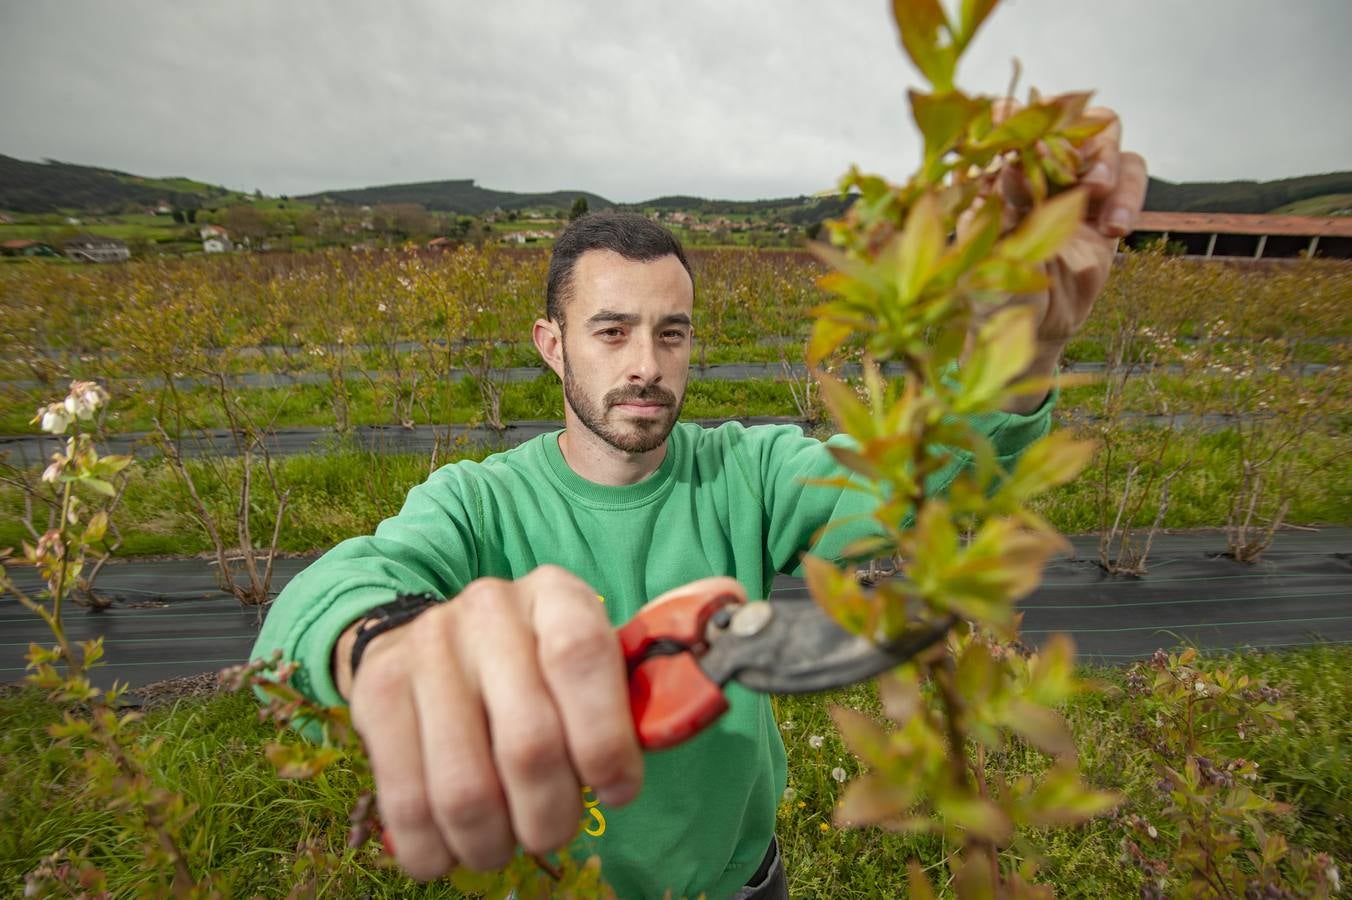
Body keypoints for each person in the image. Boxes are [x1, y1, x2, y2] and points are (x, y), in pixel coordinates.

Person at [251, 111, 1145, 899]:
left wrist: (1017, 353)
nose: (645, 363)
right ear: (551, 344)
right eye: (611, 331)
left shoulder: (746, 473)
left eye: (669, 333)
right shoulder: (480, 502)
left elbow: (919, 490)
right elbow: (325, 600)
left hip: (743, 879)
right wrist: (384, 641)